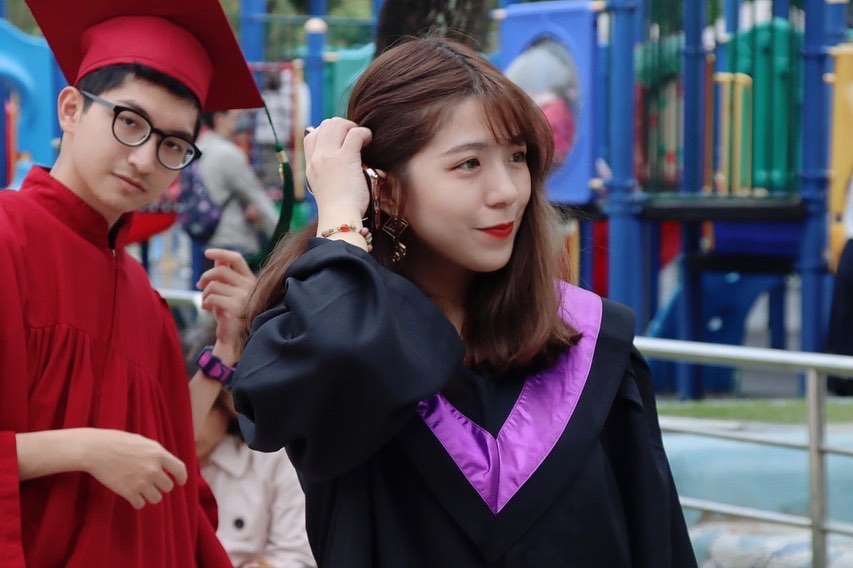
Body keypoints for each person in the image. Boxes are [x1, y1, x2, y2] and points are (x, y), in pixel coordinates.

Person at [190, 37, 698, 566]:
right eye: (469, 164)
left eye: (517, 157)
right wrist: (341, 218)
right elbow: (337, 353)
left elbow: (655, 540)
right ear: (385, 190)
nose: (506, 191)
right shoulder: (327, 345)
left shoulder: (590, 346)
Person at [0, 0, 264, 564]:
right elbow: (112, 451)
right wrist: (82, 449)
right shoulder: (7, 241)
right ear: (71, 109)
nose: (145, 160)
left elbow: (164, 452)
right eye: (129, 122)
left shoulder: (144, 296)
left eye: (172, 145)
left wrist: (223, 354)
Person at [194, 109, 278, 278]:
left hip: (210, 241)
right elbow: (258, 198)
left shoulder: (201, 147)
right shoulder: (227, 153)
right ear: (219, 118)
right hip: (235, 242)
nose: (241, 121)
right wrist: (285, 240)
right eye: (236, 117)